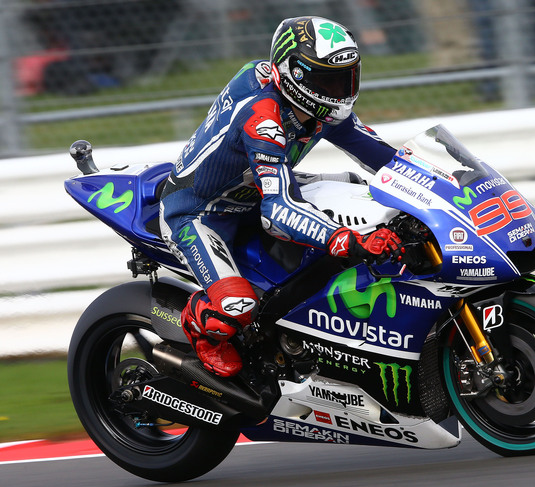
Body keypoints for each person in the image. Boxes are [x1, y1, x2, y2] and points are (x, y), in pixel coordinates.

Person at [159, 16, 406, 377]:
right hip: (200, 212)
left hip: (257, 189)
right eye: (327, 80)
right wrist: (343, 238)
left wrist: (446, 183)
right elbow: (277, 209)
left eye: (347, 78)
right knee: (238, 306)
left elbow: (384, 158)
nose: (341, 90)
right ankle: (201, 325)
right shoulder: (264, 120)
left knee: (363, 190)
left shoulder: (315, 103)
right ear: (295, 75)